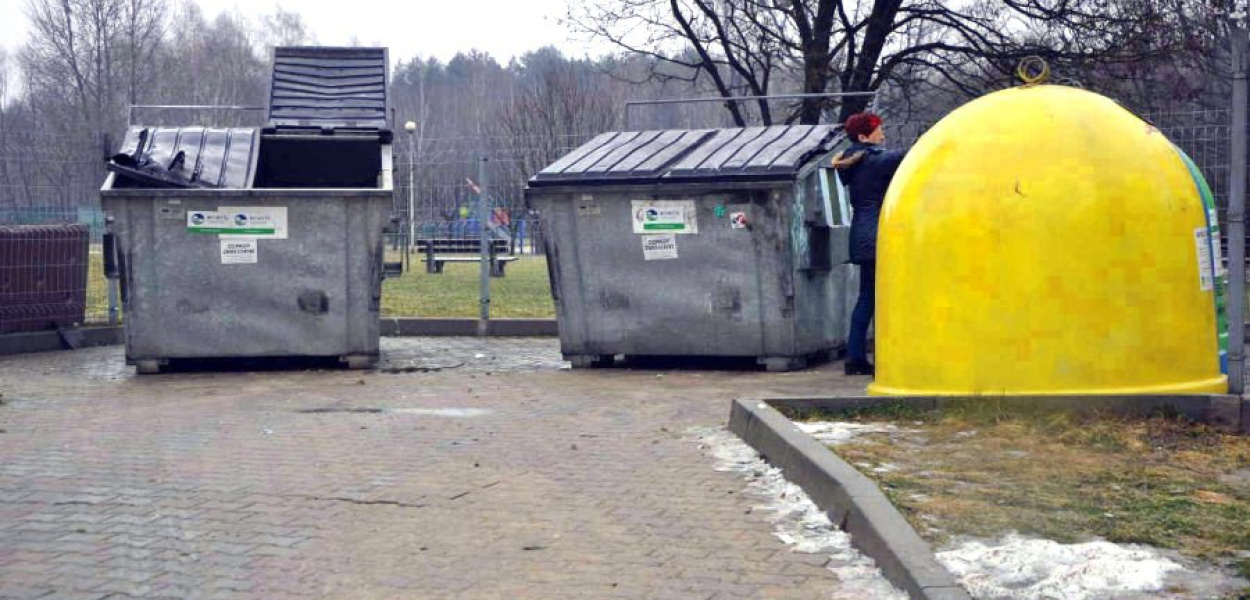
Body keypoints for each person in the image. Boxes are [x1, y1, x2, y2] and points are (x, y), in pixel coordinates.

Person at [831, 112, 906, 376]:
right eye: (877, 130)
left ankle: (855, 357)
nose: (882, 134)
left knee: (866, 298)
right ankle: (883, 356)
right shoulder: (874, 160)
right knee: (882, 298)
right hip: (878, 237)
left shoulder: (854, 164)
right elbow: (910, 155)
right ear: (864, 136)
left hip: (862, 236)